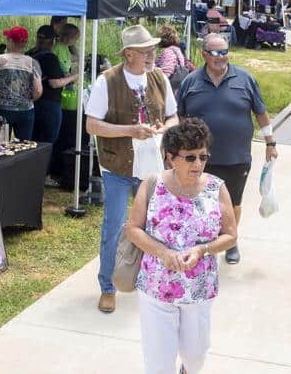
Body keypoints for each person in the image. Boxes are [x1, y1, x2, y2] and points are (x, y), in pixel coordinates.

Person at [125, 117, 237, 374]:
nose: (198, 164)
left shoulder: (217, 188)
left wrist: (202, 250)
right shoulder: (153, 184)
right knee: (158, 364)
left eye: (203, 157)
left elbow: (230, 235)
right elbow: (133, 228)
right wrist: (163, 253)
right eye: (190, 158)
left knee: (195, 357)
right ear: (170, 157)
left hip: (199, 290)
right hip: (156, 288)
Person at [85, 25, 179, 314]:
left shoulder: (159, 78)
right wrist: (130, 130)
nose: (152, 54)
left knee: (154, 226)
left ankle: (150, 280)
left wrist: (166, 128)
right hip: (117, 166)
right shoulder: (107, 81)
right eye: (145, 51)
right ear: (128, 54)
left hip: (151, 167)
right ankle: (108, 286)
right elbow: (92, 125)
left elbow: (174, 116)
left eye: (152, 49)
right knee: (113, 227)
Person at [177, 33, 275, 265]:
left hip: (236, 155)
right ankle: (199, 241)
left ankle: (230, 239)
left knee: (233, 203)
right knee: (197, 199)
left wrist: (270, 142)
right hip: (198, 157)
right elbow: (180, 116)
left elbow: (260, 112)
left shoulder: (245, 79)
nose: (220, 57)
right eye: (215, 52)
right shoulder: (190, 82)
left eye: (224, 52)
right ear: (204, 54)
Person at [0, 26, 43, 140]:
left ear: (11, 41)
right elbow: (38, 90)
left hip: (1, 110)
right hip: (26, 110)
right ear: (25, 42)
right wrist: (28, 100)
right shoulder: (33, 62)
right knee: (25, 146)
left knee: (0, 146)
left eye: (7, 39)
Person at [29, 25, 78, 145]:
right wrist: (74, 77)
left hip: (30, 104)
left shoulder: (29, 54)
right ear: (53, 41)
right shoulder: (50, 58)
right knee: (48, 143)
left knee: (33, 142)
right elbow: (54, 83)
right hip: (49, 105)